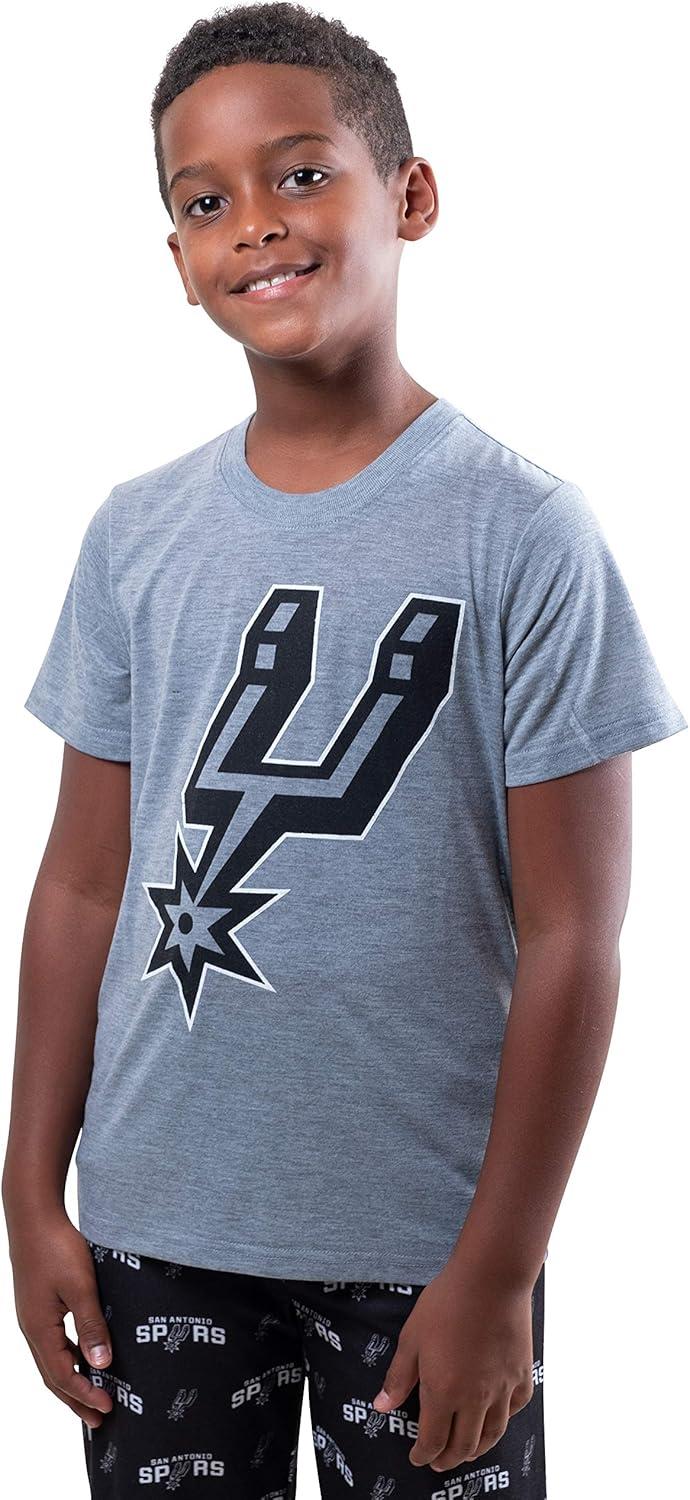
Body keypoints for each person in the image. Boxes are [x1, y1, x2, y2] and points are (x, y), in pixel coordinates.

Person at [3, 4, 687, 1496]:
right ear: (176, 259)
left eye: (302, 174)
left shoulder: (526, 534)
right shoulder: (134, 534)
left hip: (425, 1241)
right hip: (157, 1224)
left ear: (411, 196)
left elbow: (576, 932)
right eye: (205, 202)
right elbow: (81, 884)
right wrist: (26, 1191)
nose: (255, 222)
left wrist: (501, 1266)